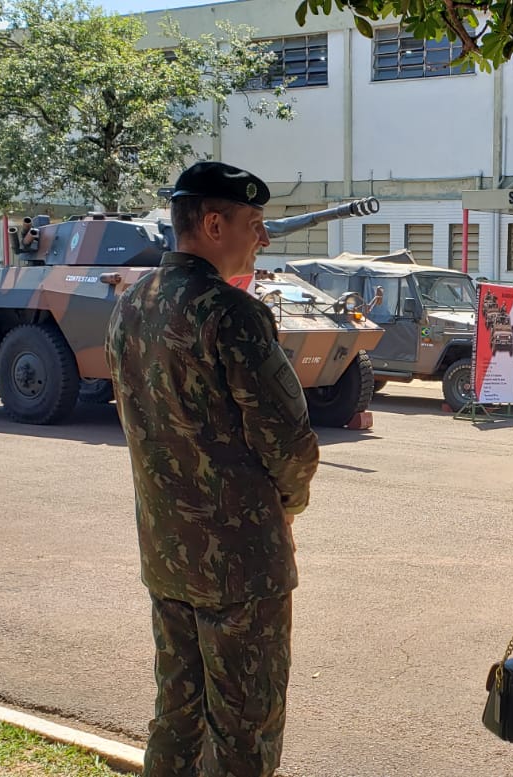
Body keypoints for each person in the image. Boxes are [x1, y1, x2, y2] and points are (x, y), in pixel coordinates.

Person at [106, 161, 320, 777]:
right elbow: (290, 443)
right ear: (213, 222)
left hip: (168, 551)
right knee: (244, 729)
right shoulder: (231, 314)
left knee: (176, 713)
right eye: (254, 223)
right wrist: (289, 506)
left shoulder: (131, 304)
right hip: (241, 563)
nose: (263, 237)